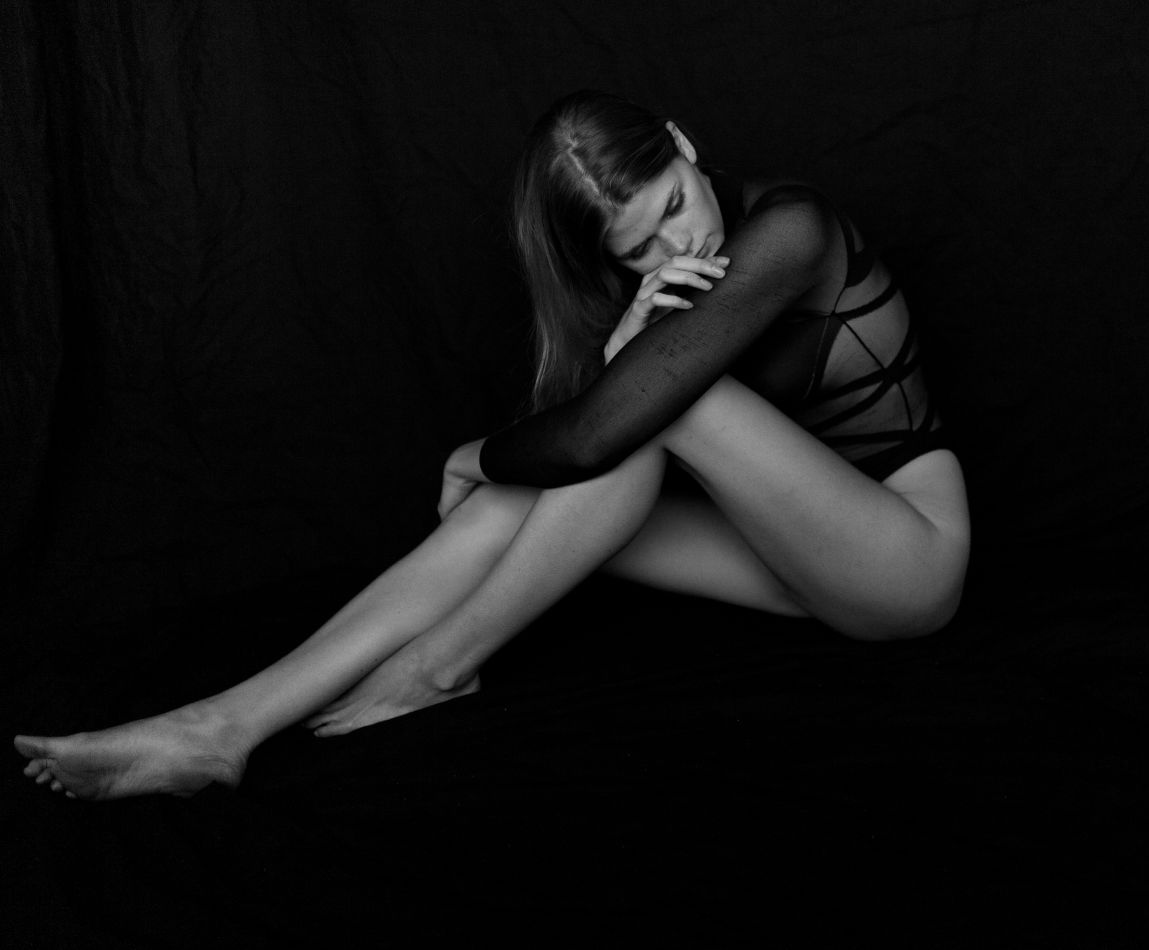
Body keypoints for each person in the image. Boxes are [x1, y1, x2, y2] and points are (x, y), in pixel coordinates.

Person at [14, 90, 970, 801]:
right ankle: (223, 725)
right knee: (555, 480)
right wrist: (624, 347)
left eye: (675, 205)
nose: (676, 249)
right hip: (788, 565)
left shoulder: (790, 228)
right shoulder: (667, 282)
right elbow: (595, 440)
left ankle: (437, 667)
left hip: (904, 561)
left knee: (644, 419)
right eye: (637, 249)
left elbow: (596, 434)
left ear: (683, 146)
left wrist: (470, 455)